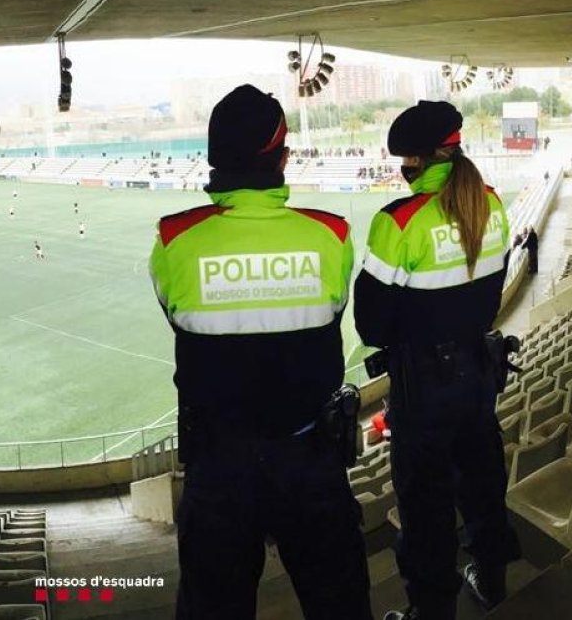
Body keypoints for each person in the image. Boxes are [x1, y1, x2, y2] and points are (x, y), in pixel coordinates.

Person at [150, 85, 371, 619]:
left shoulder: (175, 242)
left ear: (213, 159)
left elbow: (177, 317)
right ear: (282, 158)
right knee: (339, 605)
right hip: (310, 460)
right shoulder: (332, 236)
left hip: (220, 470)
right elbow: (333, 313)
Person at [355, 100, 519, 620]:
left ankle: (432, 610)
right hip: (477, 376)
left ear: (419, 161)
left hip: (423, 390)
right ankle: (492, 582)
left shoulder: (398, 221)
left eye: (405, 159)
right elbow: (490, 295)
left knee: (425, 506)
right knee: (483, 484)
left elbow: (372, 325)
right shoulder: (491, 204)